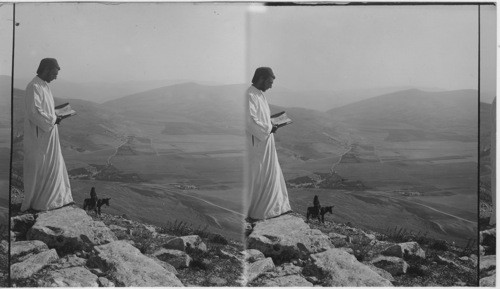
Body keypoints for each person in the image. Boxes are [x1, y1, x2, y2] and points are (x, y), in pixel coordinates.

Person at [21, 58, 74, 211]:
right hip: (40, 136)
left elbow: (45, 110)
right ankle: (39, 203)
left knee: (53, 164)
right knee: (41, 167)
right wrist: (53, 118)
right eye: (54, 73)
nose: (56, 77)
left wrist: (56, 115)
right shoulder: (33, 86)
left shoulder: (44, 86)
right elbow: (33, 112)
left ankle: (55, 199)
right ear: (46, 69)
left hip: (49, 133)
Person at [246, 67, 291, 220]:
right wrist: (269, 127)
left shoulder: (260, 94)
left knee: (272, 172)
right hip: (258, 143)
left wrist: (272, 123)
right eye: (269, 82)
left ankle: (276, 208)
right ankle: (260, 212)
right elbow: (250, 121)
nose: (271, 86)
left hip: (266, 140)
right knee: (261, 174)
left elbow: (261, 119)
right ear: (261, 78)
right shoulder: (249, 95)